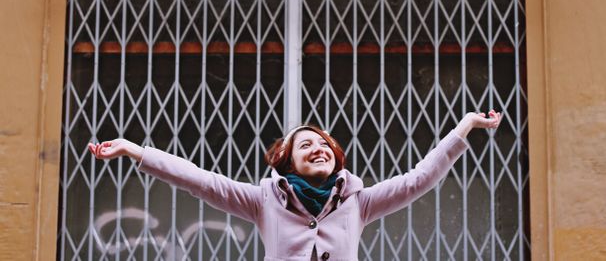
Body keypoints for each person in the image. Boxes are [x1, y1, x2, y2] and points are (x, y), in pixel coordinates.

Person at [89, 110, 502, 261]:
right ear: (287, 162)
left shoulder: (359, 203)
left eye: (324, 144)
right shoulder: (262, 201)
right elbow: (200, 180)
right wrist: (133, 150)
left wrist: (464, 127)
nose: (318, 147)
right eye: (306, 144)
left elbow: (419, 179)